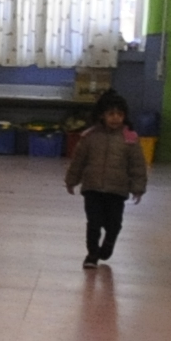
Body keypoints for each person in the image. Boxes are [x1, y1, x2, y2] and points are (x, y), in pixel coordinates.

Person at [65, 90, 150, 268]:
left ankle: (109, 243)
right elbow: (78, 161)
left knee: (114, 224)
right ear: (101, 115)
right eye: (111, 114)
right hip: (92, 188)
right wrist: (71, 180)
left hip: (117, 191)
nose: (115, 118)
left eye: (120, 114)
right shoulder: (89, 136)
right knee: (94, 223)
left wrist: (138, 188)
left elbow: (137, 166)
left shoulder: (130, 139)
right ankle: (92, 255)